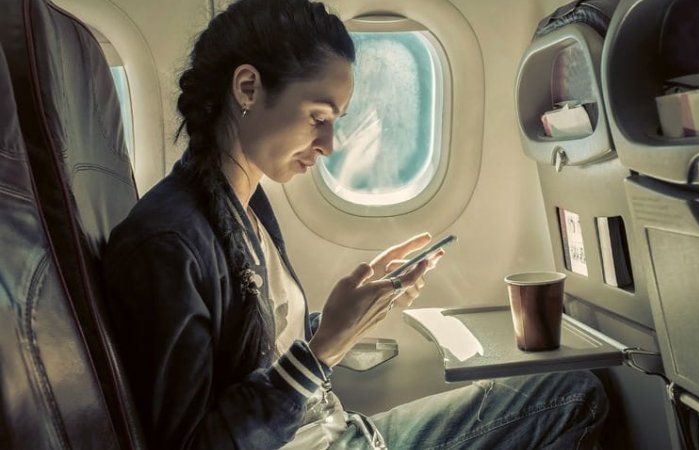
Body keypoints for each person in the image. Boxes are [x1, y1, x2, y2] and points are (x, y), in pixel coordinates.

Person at [102, 0, 608, 448]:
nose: (329, 144)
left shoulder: (244, 205)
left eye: (336, 121)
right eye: (318, 116)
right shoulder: (170, 244)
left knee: (573, 391)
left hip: (342, 431)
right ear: (248, 87)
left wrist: (358, 313)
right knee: (575, 400)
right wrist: (327, 347)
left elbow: (258, 350)